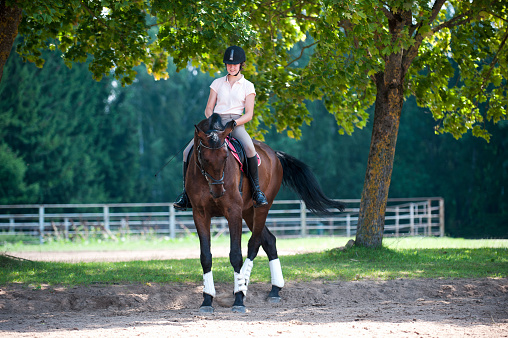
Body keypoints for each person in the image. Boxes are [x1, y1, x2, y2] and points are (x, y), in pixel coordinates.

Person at [174, 45, 269, 210]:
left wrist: (234, 124)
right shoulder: (217, 83)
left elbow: (249, 114)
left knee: (249, 149)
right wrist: (213, 120)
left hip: (235, 124)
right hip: (215, 123)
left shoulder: (248, 86)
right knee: (186, 151)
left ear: (241, 64)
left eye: (235, 64)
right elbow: (209, 107)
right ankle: (186, 194)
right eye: (229, 64)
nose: (231, 67)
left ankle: (257, 191)